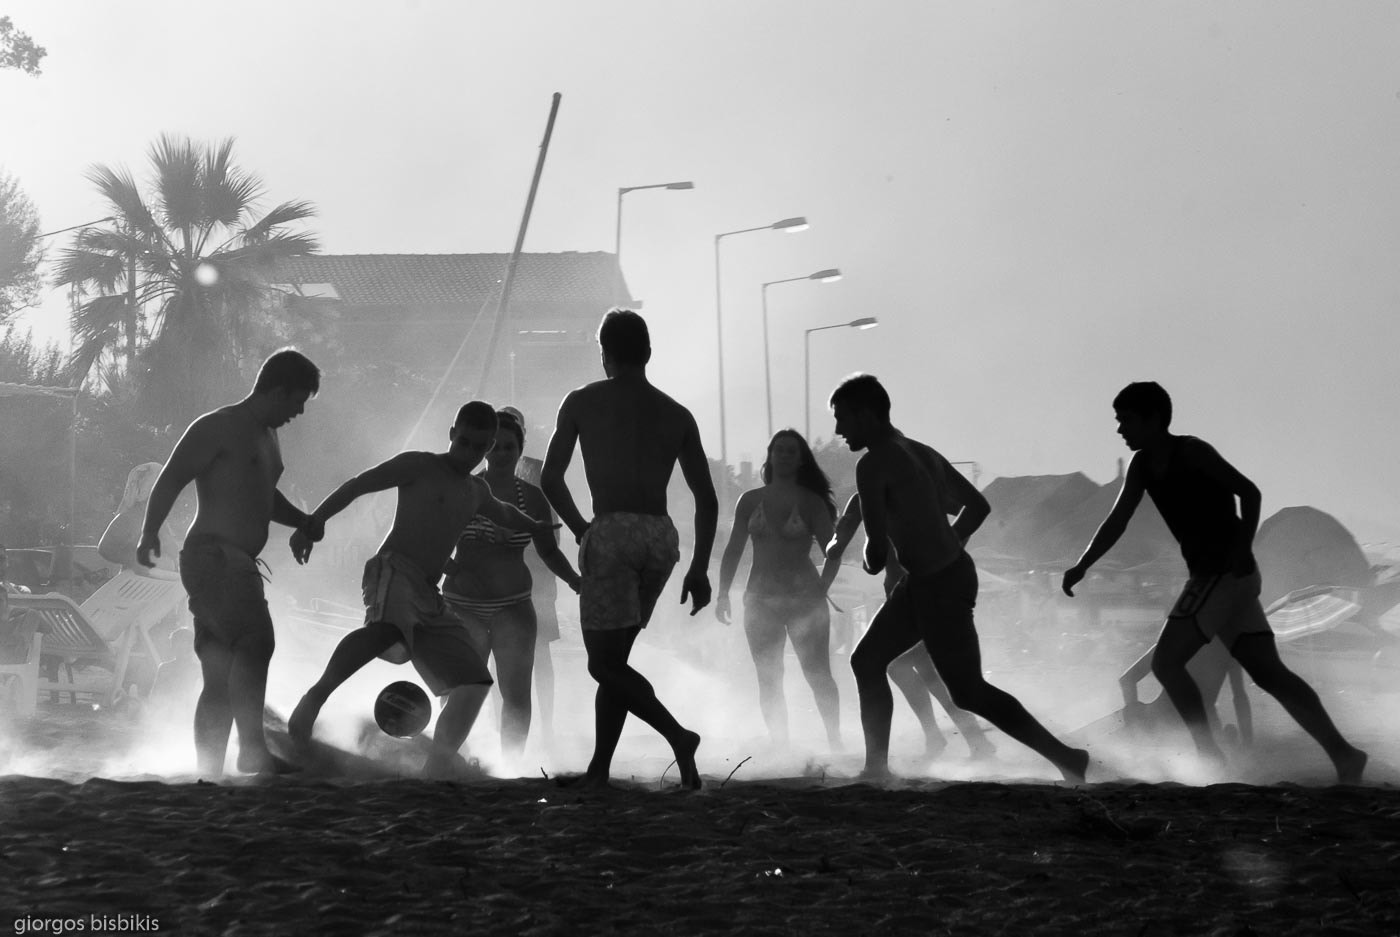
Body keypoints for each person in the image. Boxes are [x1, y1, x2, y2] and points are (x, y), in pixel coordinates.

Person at [1062, 381, 1366, 783]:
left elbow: (1250, 493)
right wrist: (1084, 564)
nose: (1120, 429)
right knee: (1270, 673)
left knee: (1166, 663)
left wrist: (1243, 548)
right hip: (1227, 580)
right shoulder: (1140, 467)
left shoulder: (1192, 452)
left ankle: (1210, 756)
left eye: (1126, 420)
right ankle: (1344, 755)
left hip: (1222, 574)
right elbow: (1118, 520)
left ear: (1154, 419)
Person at [830, 373, 1088, 782]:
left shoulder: (874, 463)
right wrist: (947, 541)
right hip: (935, 579)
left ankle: (1067, 758)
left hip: (939, 584)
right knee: (867, 660)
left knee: (968, 691)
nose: (839, 430)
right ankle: (875, 768)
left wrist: (851, 545)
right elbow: (978, 506)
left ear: (866, 414)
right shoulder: (920, 451)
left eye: (843, 418)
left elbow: (876, 556)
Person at [287, 402, 557, 778]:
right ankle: (314, 698)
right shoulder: (419, 465)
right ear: (451, 434)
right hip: (394, 569)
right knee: (386, 630)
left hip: (430, 593)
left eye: (479, 446)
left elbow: (506, 514)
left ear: (488, 445)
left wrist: (542, 525)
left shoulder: (476, 490)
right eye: (463, 442)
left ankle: (437, 764)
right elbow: (357, 485)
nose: (469, 453)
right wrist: (313, 521)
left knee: (475, 681)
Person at [541, 308, 718, 790]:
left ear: (605, 354)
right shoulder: (677, 414)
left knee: (603, 663)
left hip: (613, 533)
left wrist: (582, 529)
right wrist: (699, 568)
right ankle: (600, 769)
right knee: (616, 661)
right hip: (660, 538)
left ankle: (679, 736)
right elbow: (707, 498)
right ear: (648, 354)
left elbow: (549, 478)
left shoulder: (581, 402)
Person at [137, 348, 322, 777]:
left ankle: (208, 772)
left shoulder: (268, 435)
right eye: (297, 401)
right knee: (257, 641)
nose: (298, 412)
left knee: (219, 672)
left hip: (233, 561)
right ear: (277, 390)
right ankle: (253, 751)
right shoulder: (219, 426)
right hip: (214, 557)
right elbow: (172, 475)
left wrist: (302, 521)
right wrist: (149, 531)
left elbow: (263, 496)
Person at [443, 408, 581, 763]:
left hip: (514, 606)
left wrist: (575, 580)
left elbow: (549, 551)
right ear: (484, 447)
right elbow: (431, 539)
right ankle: (449, 757)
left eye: (509, 447)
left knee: (515, 693)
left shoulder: (533, 497)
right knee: (460, 688)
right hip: (464, 604)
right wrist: (454, 569)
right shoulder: (461, 487)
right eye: (495, 447)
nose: (501, 454)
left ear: (520, 450)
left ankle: (510, 765)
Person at [822, 493, 995, 760]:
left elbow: (968, 508)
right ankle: (961, 738)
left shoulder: (916, 489)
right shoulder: (862, 499)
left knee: (904, 666)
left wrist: (952, 543)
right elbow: (843, 541)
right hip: (899, 595)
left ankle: (961, 738)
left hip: (925, 591)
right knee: (918, 669)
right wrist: (835, 544)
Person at [716, 429, 841, 750]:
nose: (784, 455)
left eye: (791, 451)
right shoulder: (750, 500)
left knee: (817, 673)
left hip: (804, 599)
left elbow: (833, 549)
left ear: (801, 460)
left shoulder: (811, 502)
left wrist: (823, 587)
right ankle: (781, 744)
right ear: (769, 456)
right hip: (759, 599)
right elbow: (733, 549)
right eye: (779, 450)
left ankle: (835, 741)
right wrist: (722, 593)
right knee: (768, 676)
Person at [511, 415, 564, 747]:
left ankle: (547, 726)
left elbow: (553, 532)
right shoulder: (482, 473)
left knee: (540, 655)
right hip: (496, 578)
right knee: (495, 655)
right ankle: (500, 723)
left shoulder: (537, 471)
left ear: (522, 437)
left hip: (537, 578)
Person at [1117, 636, 1252, 746]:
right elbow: (1240, 698)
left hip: (1170, 726)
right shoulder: (1228, 651)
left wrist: (1134, 717)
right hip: (1195, 731)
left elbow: (1127, 679)